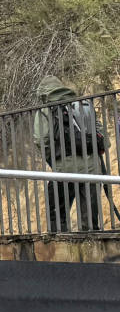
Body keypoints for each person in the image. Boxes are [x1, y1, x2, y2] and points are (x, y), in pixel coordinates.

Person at [33, 75, 108, 232]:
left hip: (64, 169)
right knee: (90, 219)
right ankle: (91, 245)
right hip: (92, 170)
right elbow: (102, 136)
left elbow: (41, 140)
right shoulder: (85, 104)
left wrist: (53, 161)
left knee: (57, 214)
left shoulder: (45, 111)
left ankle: (59, 241)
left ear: (44, 94)